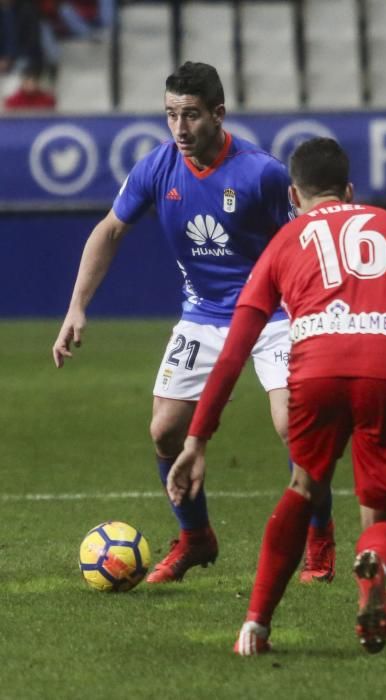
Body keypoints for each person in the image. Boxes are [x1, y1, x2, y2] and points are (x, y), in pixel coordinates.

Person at [167, 137, 386, 655]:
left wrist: (197, 439)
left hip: (317, 368)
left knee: (302, 486)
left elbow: (237, 349)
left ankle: (255, 627)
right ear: (350, 190)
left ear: (294, 195)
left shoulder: (284, 240)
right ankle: (374, 563)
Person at [52, 62, 335, 584]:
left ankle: (319, 536)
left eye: (191, 116)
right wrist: (77, 306)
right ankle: (196, 538)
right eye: (170, 115)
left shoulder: (262, 174)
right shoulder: (157, 168)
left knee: (292, 427)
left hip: (272, 313)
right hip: (203, 314)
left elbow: (306, 241)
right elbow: (110, 230)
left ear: (219, 115)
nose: (180, 129)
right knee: (164, 431)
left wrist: (314, 309)